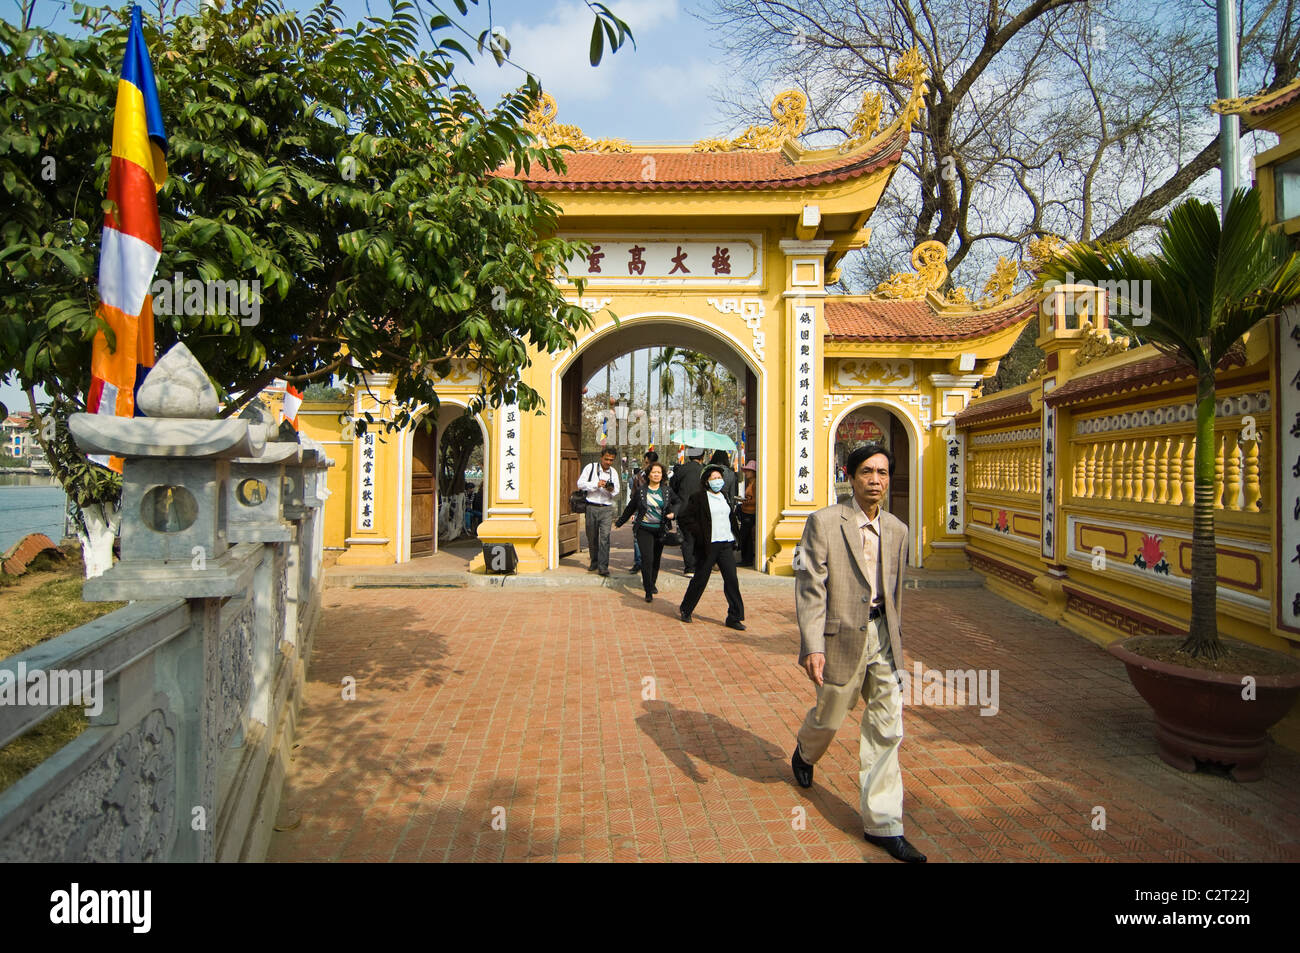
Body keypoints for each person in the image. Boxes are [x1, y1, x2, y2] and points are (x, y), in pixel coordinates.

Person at [789, 442, 924, 863]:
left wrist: (897, 643)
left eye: (883, 473)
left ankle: (883, 824)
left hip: (883, 637)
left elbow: (896, 594)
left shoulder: (899, 530)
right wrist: (812, 645)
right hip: (842, 636)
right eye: (867, 471)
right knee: (830, 715)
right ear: (849, 475)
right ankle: (806, 750)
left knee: (887, 728)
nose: (876, 480)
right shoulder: (825, 522)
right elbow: (811, 586)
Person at [677, 464, 745, 630]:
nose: (717, 481)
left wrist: (736, 538)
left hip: (725, 544)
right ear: (706, 481)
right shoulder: (698, 497)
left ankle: (734, 616)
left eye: (719, 478)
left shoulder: (724, 496)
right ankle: (686, 608)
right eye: (713, 478)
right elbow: (684, 518)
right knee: (701, 578)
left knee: (731, 580)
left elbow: (730, 518)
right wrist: (699, 533)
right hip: (709, 545)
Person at [614, 461, 679, 603]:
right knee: (647, 559)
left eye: (659, 472)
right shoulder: (642, 491)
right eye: (654, 472)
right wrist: (619, 522)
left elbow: (678, 503)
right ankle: (648, 589)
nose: (656, 475)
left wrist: (673, 513)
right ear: (649, 474)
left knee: (656, 559)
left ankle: (652, 583)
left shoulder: (667, 491)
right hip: (644, 529)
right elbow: (630, 508)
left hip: (660, 530)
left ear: (662, 475)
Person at [577, 448, 619, 576]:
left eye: (611, 460)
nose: (608, 462)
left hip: (606, 508)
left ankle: (603, 566)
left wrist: (609, 489)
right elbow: (580, 484)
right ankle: (594, 561)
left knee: (605, 538)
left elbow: (616, 490)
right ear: (601, 457)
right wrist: (596, 484)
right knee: (592, 536)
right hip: (591, 506)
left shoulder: (614, 472)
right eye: (606, 459)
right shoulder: (591, 468)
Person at [669, 448, 705, 575]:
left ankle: (689, 568)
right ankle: (699, 565)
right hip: (701, 510)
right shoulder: (704, 471)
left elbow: (672, 488)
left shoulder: (681, 470)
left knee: (687, 538)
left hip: (683, 509)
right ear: (702, 457)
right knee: (700, 537)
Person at [630, 451, 659, 574]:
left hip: (642, 510)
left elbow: (633, 495)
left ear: (646, 459)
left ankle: (640, 562)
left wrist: (633, 511)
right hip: (656, 511)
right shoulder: (660, 474)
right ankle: (648, 563)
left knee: (638, 537)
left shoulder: (639, 476)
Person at [738, 459, 757, 565]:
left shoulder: (755, 484)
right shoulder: (750, 483)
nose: (746, 473)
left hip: (750, 512)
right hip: (746, 511)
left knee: (746, 536)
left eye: (749, 471)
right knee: (746, 536)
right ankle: (746, 557)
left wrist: (746, 501)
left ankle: (747, 559)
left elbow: (756, 499)